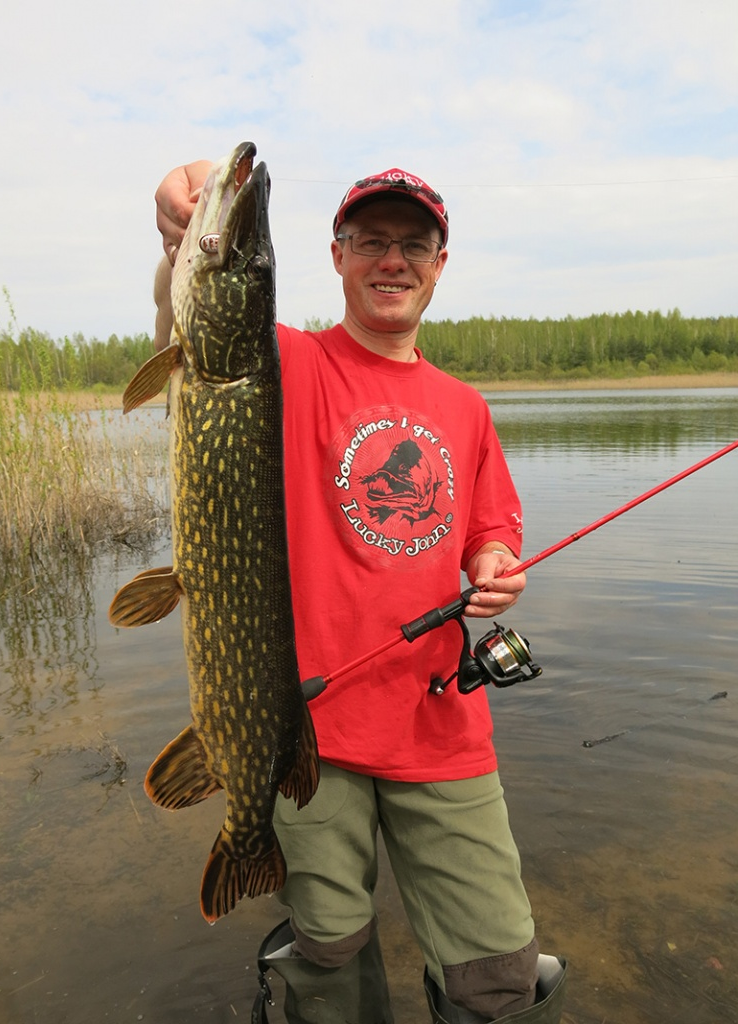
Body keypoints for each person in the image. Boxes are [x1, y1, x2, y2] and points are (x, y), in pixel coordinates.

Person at [154, 159, 567, 1024]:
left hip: (441, 729)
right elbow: (188, 322)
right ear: (337, 256)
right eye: (371, 242)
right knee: (329, 963)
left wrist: (494, 565)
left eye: (413, 245)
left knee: (496, 972)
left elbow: (491, 529)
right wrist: (175, 240)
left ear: (439, 264)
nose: (392, 261)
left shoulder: (465, 407)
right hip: (307, 737)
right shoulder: (279, 364)